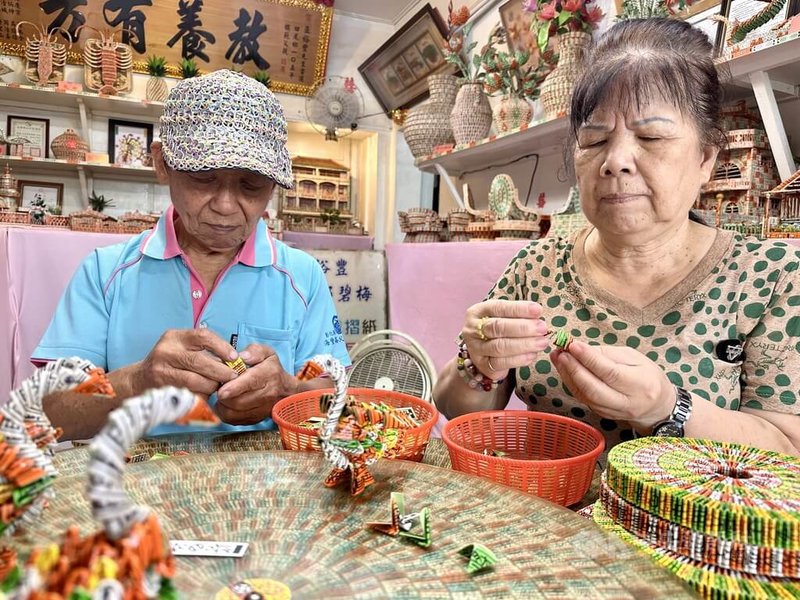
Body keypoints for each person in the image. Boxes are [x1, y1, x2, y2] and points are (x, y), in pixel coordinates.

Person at [434, 18, 800, 457]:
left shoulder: (771, 276)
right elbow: (457, 408)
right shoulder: (536, 267)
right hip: (552, 512)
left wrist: (668, 408)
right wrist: (477, 364)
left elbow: (788, 449)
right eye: (594, 140)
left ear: (705, 159)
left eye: (650, 136)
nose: (616, 160)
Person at [34, 70, 350, 439]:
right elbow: (49, 413)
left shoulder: (302, 275)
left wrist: (288, 393)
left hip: (265, 487)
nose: (226, 206)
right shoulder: (104, 273)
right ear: (162, 164)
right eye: (204, 178)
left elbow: (333, 398)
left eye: (252, 184)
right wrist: (135, 381)